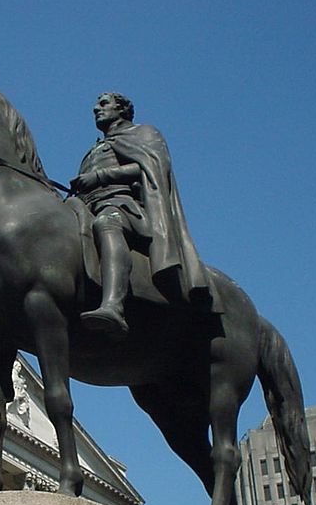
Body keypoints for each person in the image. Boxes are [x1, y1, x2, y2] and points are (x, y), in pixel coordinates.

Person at [70, 92, 213, 339]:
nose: (96, 108)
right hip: (87, 206)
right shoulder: (95, 148)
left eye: (104, 104)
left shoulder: (143, 133)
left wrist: (101, 176)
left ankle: (113, 305)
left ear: (122, 109)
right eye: (96, 104)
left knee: (108, 222)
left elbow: (152, 166)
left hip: (125, 207)